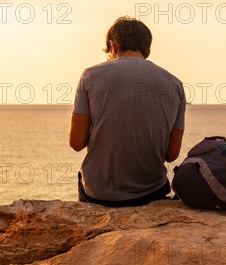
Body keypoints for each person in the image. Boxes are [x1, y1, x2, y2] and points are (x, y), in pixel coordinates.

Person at [69, 16, 186, 207]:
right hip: (151, 192)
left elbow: (76, 143)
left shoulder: (90, 76)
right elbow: (171, 154)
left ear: (113, 46)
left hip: (99, 194)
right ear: (147, 49)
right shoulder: (175, 84)